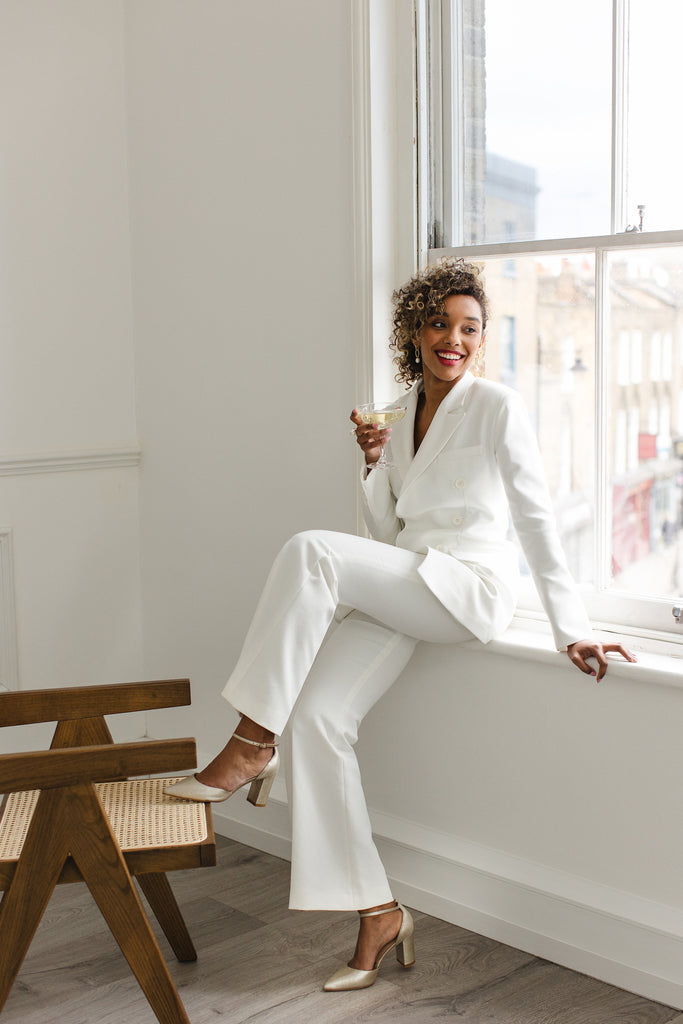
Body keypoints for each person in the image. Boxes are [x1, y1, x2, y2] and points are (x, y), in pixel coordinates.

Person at [166, 258, 635, 991]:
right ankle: (377, 911)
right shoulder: (393, 409)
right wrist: (374, 465)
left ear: (481, 341)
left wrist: (568, 624)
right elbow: (388, 534)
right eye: (438, 324)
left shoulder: (496, 408)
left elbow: (536, 518)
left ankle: (253, 739)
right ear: (412, 331)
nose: (453, 338)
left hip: (463, 588)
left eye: (468, 328)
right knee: (320, 719)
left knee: (309, 550)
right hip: (406, 578)